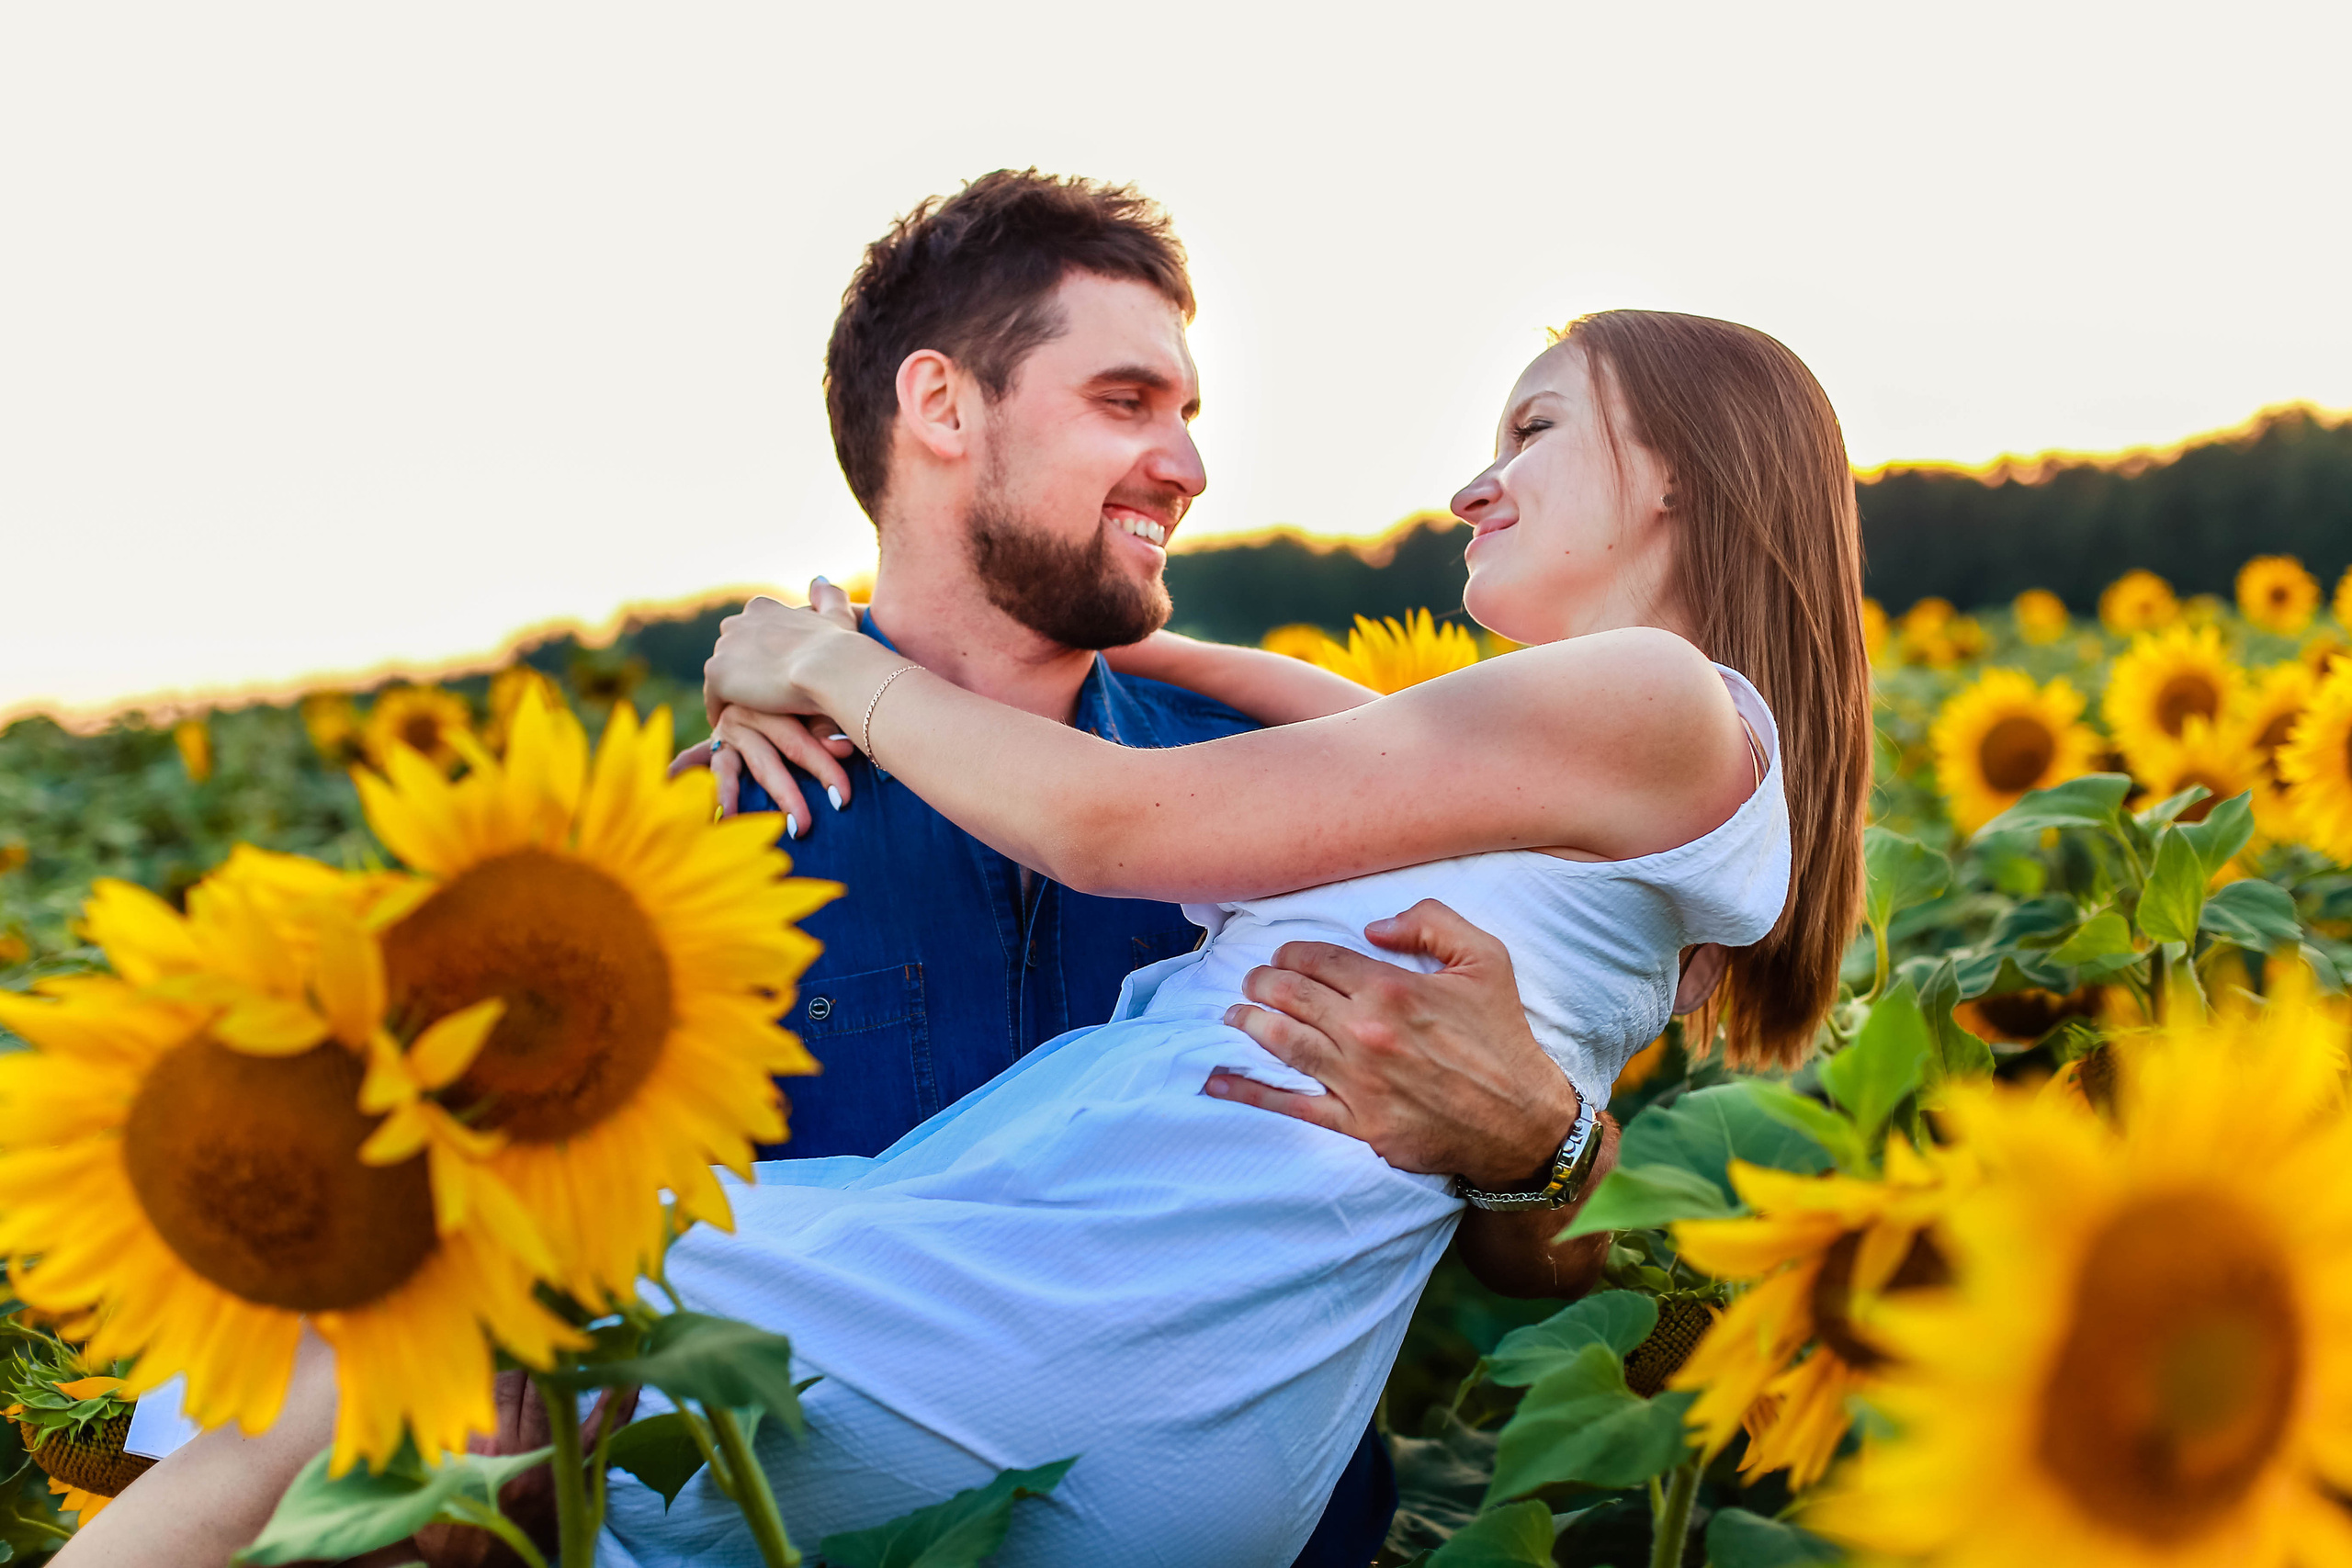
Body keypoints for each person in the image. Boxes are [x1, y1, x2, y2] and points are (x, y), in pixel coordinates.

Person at [63, 261, 1870, 1568]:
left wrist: (841, 662)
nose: (1468, 482)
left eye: (1532, 431)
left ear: (1681, 478)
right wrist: (836, 634)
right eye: (1126, 404)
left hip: (1100, 1322)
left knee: (378, 1302)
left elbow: (1117, 823)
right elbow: (1257, 690)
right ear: (937, 411)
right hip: (1138, 1356)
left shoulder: (1638, 700)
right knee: (425, 1388)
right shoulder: (1519, 765)